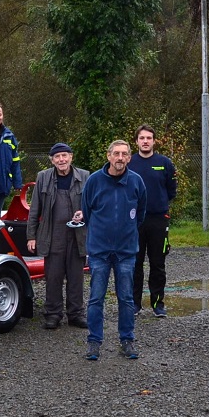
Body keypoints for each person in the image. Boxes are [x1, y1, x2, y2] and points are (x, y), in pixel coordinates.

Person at [81, 140, 147, 360]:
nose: (120, 158)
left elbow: (141, 214)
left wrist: (126, 233)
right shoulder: (94, 181)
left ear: (129, 157)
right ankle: (94, 342)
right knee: (96, 298)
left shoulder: (136, 182)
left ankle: (127, 340)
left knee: (127, 298)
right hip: (99, 250)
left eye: (124, 154)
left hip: (126, 251)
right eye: (116, 154)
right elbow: (87, 212)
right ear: (108, 156)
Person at [26, 143, 88, 330]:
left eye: (64, 156)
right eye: (57, 157)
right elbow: (34, 209)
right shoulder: (43, 177)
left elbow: (93, 204)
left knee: (76, 277)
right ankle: (53, 315)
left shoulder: (85, 176)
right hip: (52, 235)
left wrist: (84, 213)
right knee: (53, 277)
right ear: (52, 160)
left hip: (78, 235)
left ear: (71, 157)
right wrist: (31, 236)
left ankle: (76, 314)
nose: (61, 160)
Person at [127, 124, 177, 318]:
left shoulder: (164, 163)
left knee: (158, 264)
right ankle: (135, 305)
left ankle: (158, 304)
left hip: (158, 220)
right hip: (134, 221)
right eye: (142, 138)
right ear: (136, 141)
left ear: (154, 141)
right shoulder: (130, 163)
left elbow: (171, 190)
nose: (145, 141)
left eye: (149, 138)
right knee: (134, 264)